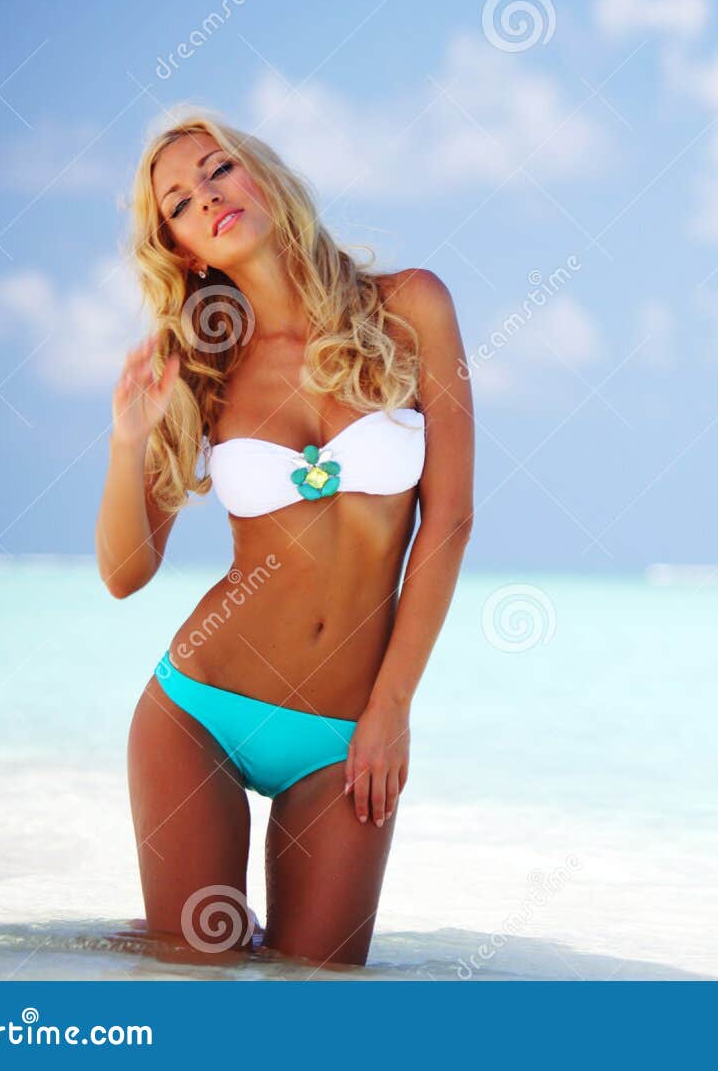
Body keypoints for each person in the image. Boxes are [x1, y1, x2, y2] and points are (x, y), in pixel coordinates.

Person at [95, 112, 475, 967]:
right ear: (185, 250)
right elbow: (125, 572)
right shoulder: (198, 363)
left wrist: (390, 709)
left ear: (259, 172)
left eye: (218, 169)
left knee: (320, 993)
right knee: (194, 976)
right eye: (181, 205)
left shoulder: (411, 307)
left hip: (349, 733)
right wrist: (127, 440)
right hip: (199, 711)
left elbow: (448, 519)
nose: (209, 198)